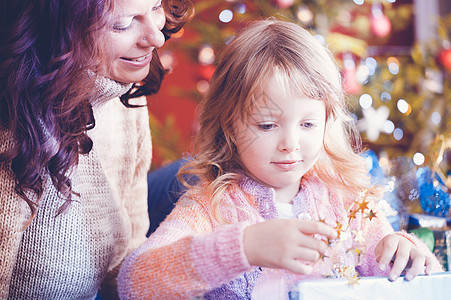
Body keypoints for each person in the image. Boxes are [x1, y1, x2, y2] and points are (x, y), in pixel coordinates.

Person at [117, 19, 443, 299]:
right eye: (267, 125)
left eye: (307, 124)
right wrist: (243, 248)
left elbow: (394, 273)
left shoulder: (346, 201)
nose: (290, 144)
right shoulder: (211, 205)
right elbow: (134, 282)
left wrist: (405, 253)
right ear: (230, 125)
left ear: (328, 122)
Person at [0, 0, 193, 299]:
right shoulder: (13, 129)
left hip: (103, 284)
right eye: (123, 24)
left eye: (156, 6)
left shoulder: (123, 90)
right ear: (63, 30)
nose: (157, 37)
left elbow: (129, 256)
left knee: (195, 175)